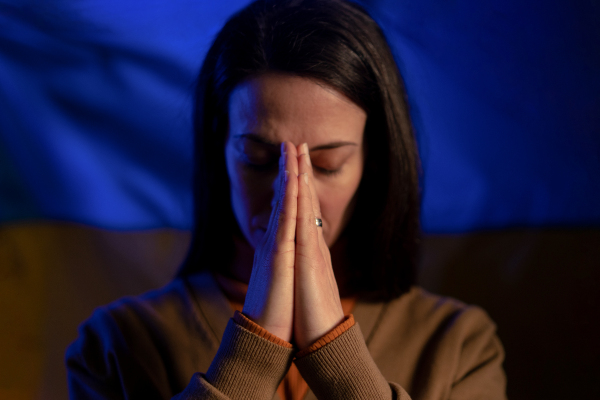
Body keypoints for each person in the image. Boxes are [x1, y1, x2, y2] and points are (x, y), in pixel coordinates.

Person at [66, 0, 507, 399]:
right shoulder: (114, 347)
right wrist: (253, 350)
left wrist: (335, 351)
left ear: (373, 166)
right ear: (219, 153)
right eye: (258, 160)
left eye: (328, 163)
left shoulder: (458, 346)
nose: (291, 195)